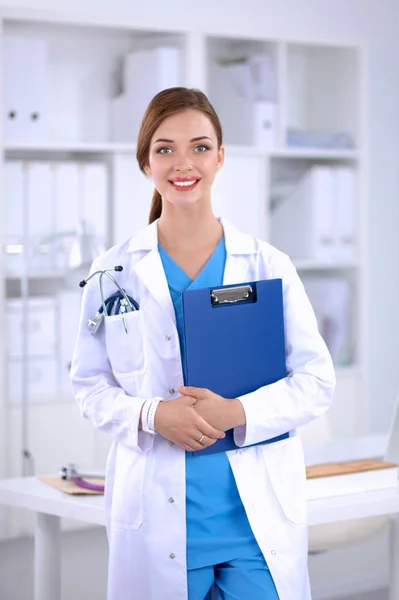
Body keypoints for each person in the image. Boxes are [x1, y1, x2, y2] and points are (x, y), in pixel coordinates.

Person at [70, 86, 335, 600]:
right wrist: (152, 415)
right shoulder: (113, 271)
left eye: (199, 146)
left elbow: (316, 381)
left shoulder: (266, 265)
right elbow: (88, 386)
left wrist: (237, 411)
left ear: (220, 156)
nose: (182, 162)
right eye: (164, 148)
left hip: (253, 522)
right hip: (159, 520)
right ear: (145, 161)